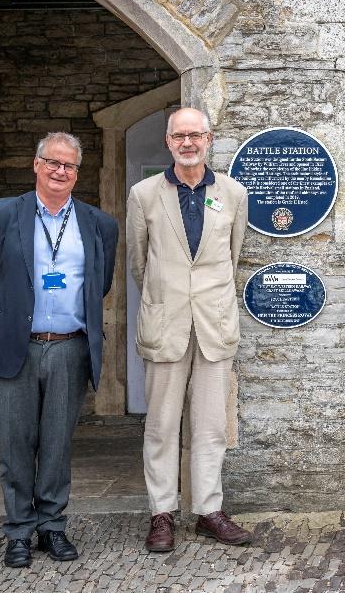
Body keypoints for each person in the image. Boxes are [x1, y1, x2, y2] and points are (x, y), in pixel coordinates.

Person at [0, 132, 119, 567]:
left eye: (70, 166)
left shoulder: (99, 224)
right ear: (36, 165)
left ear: (78, 173)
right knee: (16, 446)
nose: (61, 171)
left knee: (57, 445)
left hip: (69, 349)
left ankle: (52, 527)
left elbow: (102, 283)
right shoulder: (5, 213)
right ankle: (18, 531)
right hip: (17, 347)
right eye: (53, 163)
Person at [127, 107, 251, 552]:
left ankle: (208, 511)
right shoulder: (144, 194)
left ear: (208, 138)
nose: (187, 143)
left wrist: (203, 298)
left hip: (214, 326)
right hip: (166, 325)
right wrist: (170, 296)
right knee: (160, 424)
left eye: (195, 135)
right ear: (168, 141)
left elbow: (230, 260)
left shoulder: (234, 194)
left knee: (211, 425)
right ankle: (161, 512)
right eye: (179, 136)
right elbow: (141, 263)